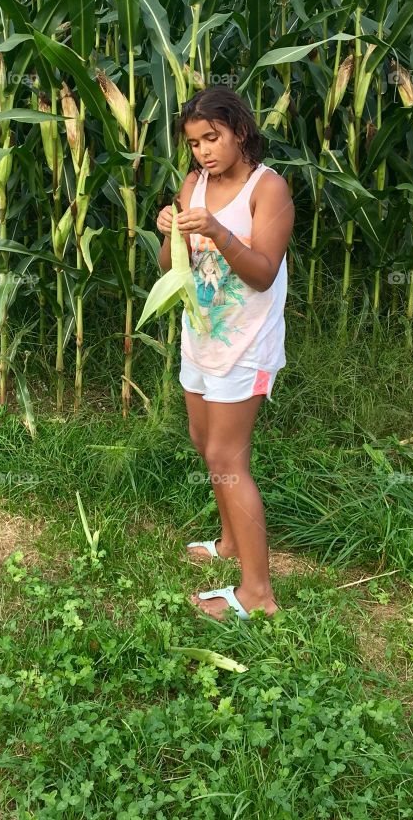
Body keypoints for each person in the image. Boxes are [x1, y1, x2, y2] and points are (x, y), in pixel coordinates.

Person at [155, 85, 294, 621]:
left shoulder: (268, 189)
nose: (203, 152)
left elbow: (261, 273)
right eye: (194, 144)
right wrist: (169, 229)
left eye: (212, 138)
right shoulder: (195, 183)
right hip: (203, 335)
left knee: (226, 458)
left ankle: (258, 595)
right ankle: (232, 543)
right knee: (202, 441)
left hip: (247, 344)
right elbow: (172, 267)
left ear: (239, 130)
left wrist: (215, 228)